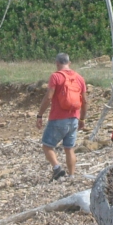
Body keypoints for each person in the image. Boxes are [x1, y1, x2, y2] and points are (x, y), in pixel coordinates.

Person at [37, 53, 88, 181]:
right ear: (69, 63)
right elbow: (85, 101)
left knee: (47, 146)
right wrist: (82, 119)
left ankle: (57, 168)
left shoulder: (55, 77)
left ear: (57, 63)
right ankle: (71, 176)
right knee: (69, 148)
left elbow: (49, 97)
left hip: (58, 118)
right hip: (74, 118)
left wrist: (40, 115)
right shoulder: (79, 78)